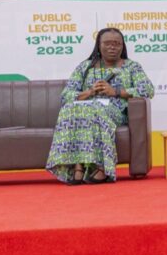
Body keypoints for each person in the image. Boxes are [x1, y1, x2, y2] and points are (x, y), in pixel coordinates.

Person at [46, 28, 155, 184]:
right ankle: (77, 166)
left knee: (93, 109)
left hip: (115, 111)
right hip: (85, 109)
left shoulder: (132, 67)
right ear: (99, 45)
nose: (112, 47)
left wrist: (116, 92)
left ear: (122, 46)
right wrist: (90, 92)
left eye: (117, 44)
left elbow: (148, 90)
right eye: (107, 43)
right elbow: (66, 95)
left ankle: (101, 167)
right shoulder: (85, 67)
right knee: (69, 108)